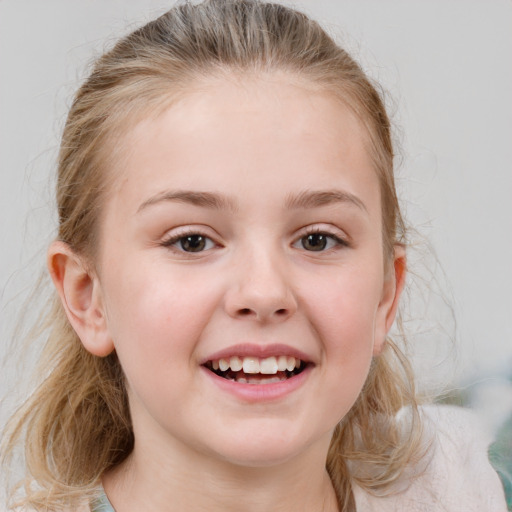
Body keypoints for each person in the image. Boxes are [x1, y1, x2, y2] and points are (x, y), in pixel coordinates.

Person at [0, 1, 507, 511]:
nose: (264, 293)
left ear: (385, 294)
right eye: (192, 241)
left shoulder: (468, 494)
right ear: (88, 298)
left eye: (317, 239)